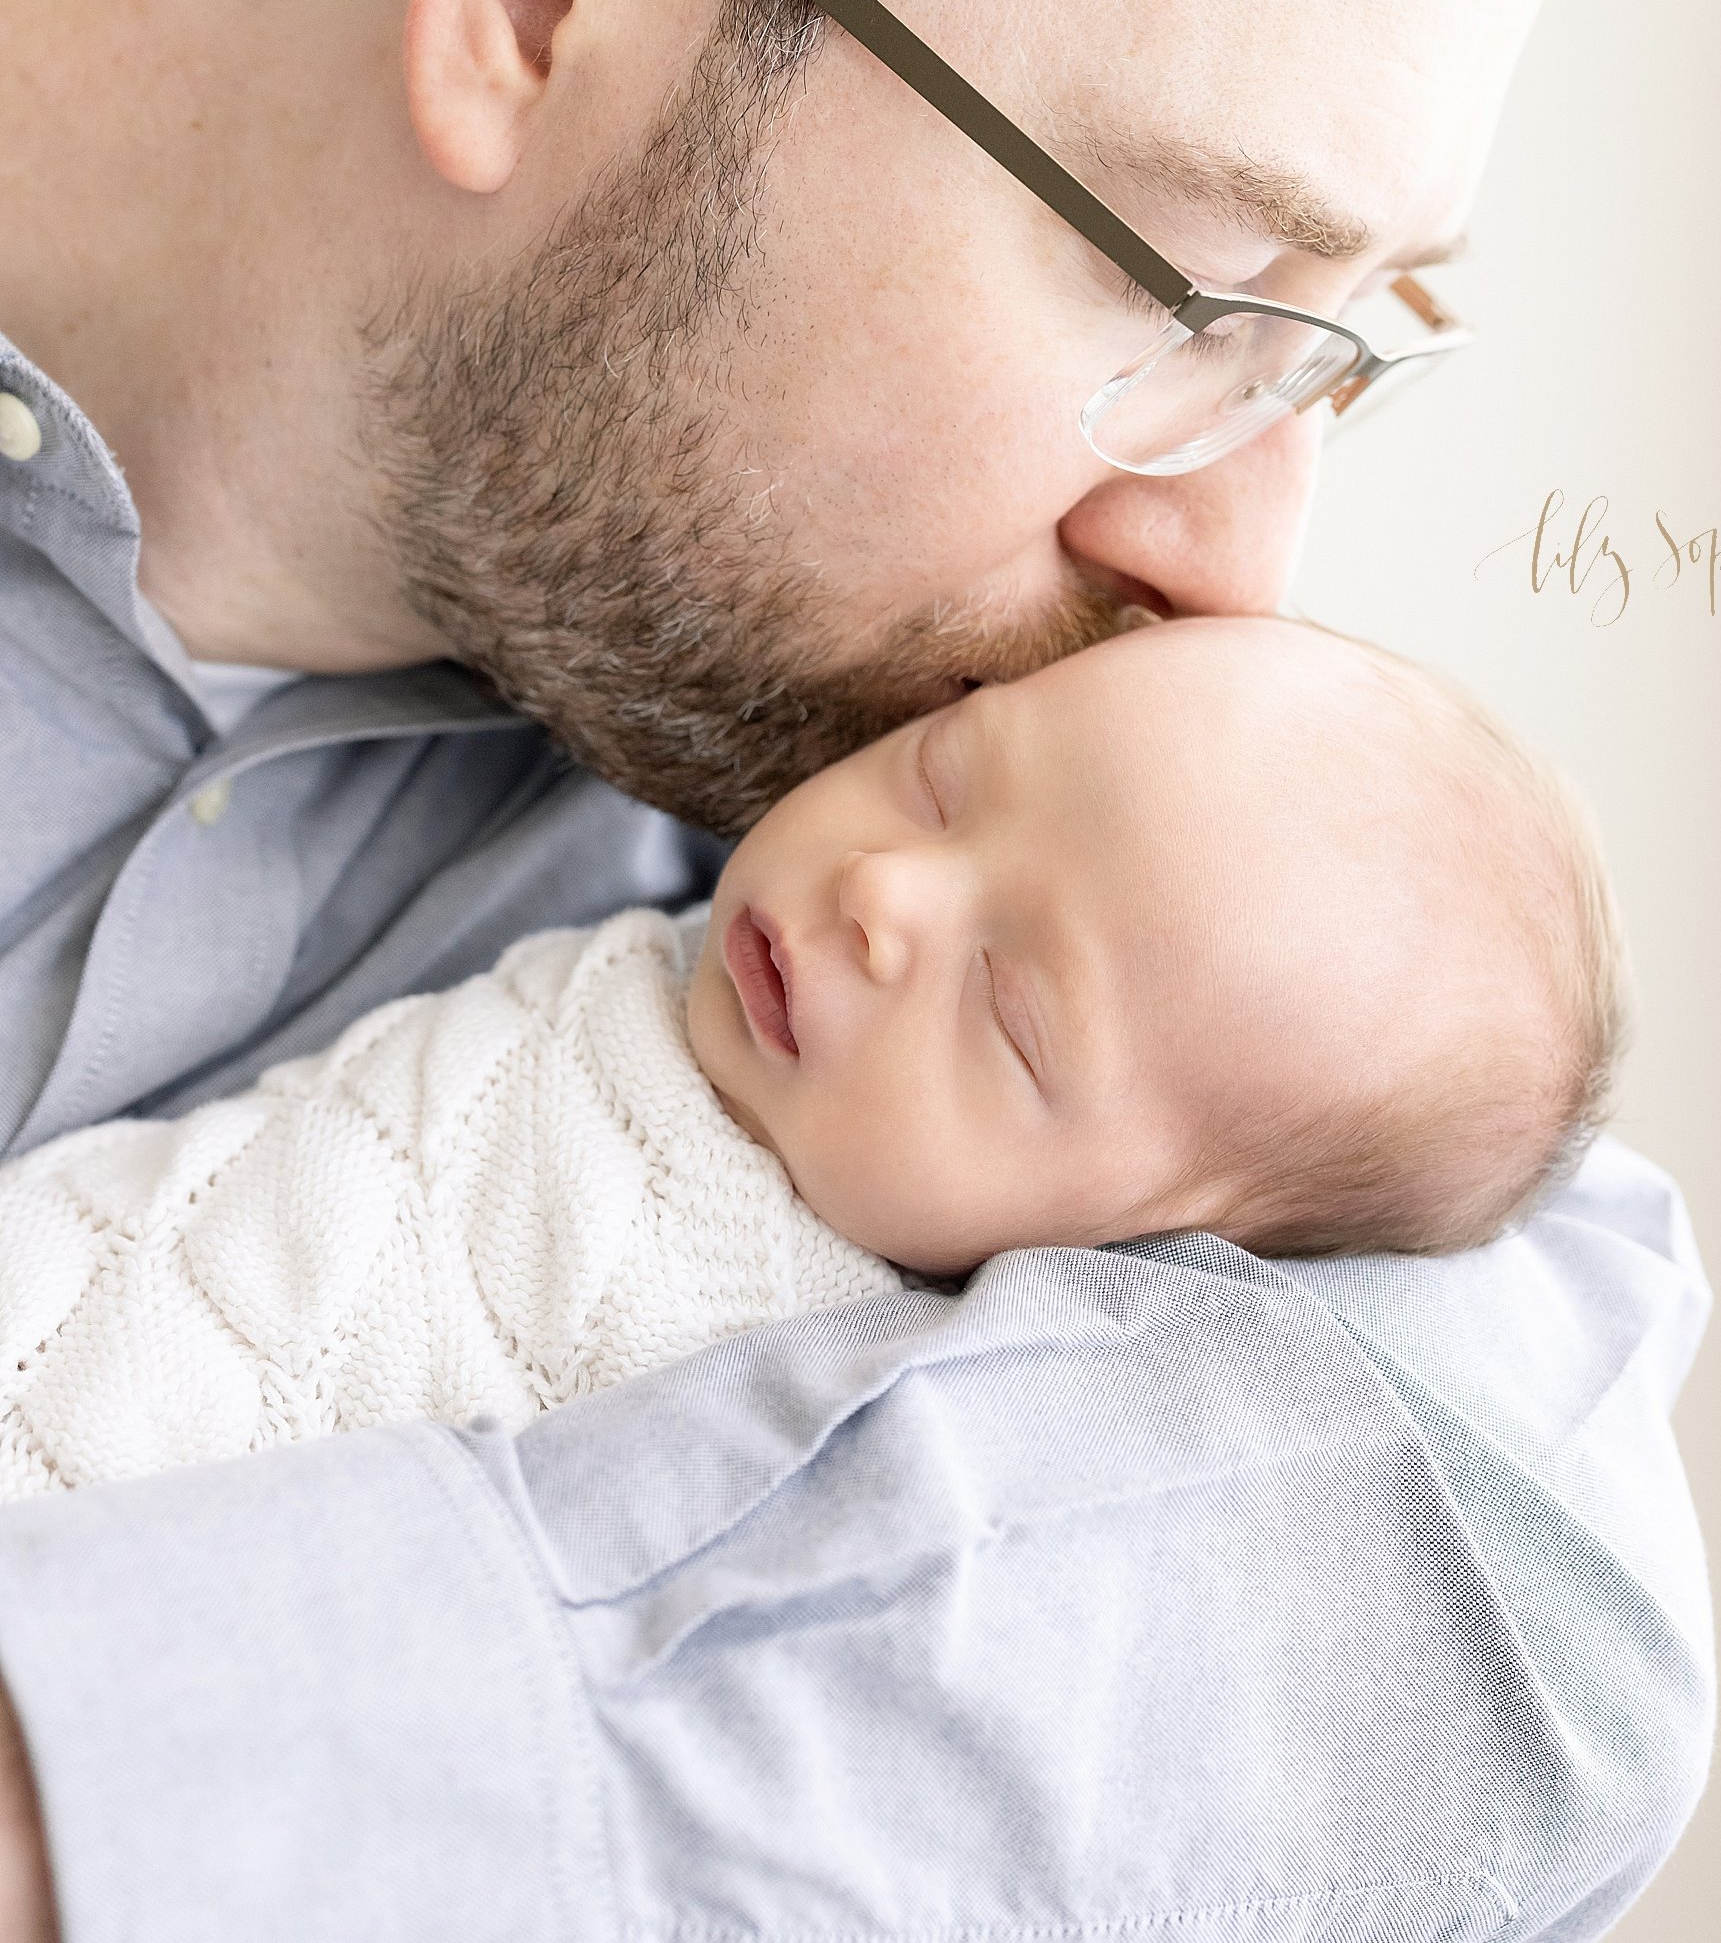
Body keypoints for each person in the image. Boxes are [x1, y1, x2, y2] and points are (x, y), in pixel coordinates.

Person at [0, 0, 1712, 1943]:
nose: (1236, 549)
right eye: (1184, 274)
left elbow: (1511, 1568)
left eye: (1339, 331)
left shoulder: (883, 863)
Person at [0, 616, 1627, 1496]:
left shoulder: (820, 1397)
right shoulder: (664, 900)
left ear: (1127, 1250)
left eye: (1010, 1015)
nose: (881, 896)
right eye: (941, 776)